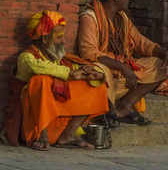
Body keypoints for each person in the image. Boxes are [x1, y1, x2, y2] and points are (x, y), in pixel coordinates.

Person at [77, 0, 168, 126]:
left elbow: (142, 43)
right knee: (99, 68)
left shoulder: (122, 18)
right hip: (102, 81)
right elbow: (88, 53)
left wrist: (166, 54)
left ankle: (124, 107)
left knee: (159, 65)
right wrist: (122, 67)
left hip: (123, 78)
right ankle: (106, 112)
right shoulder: (89, 18)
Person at [7, 11, 108, 151]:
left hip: (60, 124)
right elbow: (39, 66)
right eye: (59, 37)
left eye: (64, 36)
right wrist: (70, 73)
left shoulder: (63, 60)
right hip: (34, 124)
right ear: (44, 39)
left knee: (97, 86)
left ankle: (69, 134)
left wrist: (95, 74)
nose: (64, 41)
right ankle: (40, 134)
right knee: (41, 80)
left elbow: (86, 69)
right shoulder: (26, 57)